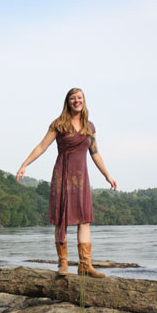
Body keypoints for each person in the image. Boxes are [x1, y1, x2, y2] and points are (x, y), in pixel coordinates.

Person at [16, 88, 117, 277]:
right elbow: (42, 146)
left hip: (81, 178)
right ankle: (62, 263)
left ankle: (85, 265)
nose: (76, 101)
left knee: (84, 220)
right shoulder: (59, 124)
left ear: (84, 101)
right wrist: (25, 164)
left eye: (79, 98)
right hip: (62, 175)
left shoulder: (89, 127)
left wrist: (107, 175)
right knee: (61, 219)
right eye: (73, 98)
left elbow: (95, 153)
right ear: (68, 102)